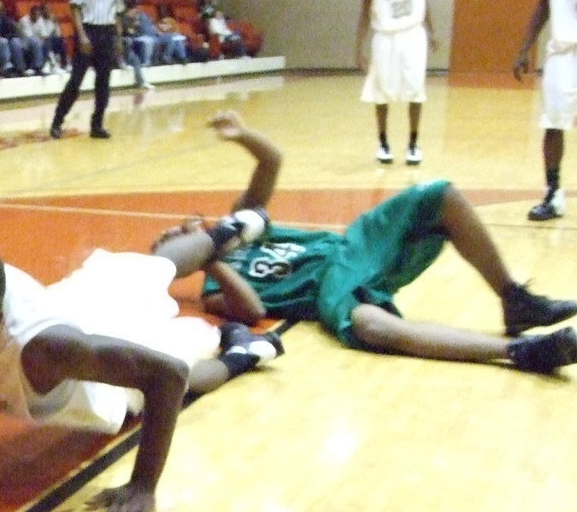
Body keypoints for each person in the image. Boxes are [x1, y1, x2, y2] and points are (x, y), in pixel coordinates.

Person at [0, 241, 284, 512]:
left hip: (90, 376)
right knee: (138, 271)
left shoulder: (43, 349)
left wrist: (143, 485)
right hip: (72, 309)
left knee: (178, 366)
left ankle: (242, 351)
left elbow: (166, 377)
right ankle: (215, 242)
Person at [156, 111, 577, 374]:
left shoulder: (242, 217)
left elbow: (272, 160)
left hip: (355, 246)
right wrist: (212, 259)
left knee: (439, 194)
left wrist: (242, 134)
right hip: (333, 290)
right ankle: (520, 351)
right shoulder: (214, 286)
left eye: (176, 229)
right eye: (173, 240)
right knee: (369, 326)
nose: (179, 231)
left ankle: (514, 298)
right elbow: (252, 309)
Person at [355, 0, 436, 166]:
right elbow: (364, 13)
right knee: (381, 92)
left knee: (415, 89)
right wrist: (358, 48)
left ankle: (413, 144)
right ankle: (383, 143)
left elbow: (424, 0)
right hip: (385, 37)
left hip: (413, 34)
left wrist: (432, 32)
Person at [514, 0, 576, 221]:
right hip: (563, 50)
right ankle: (553, 193)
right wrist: (524, 48)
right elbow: (544, 4)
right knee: (553, 123)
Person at [50, 0, 123, 140]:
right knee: (76, 81)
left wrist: (118, 39)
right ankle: (57, 121)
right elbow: (75, 8)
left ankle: (97, 124)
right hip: (88, 31)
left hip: (107, 32)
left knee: (103, 82)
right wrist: (82, 36)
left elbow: (118, 13)